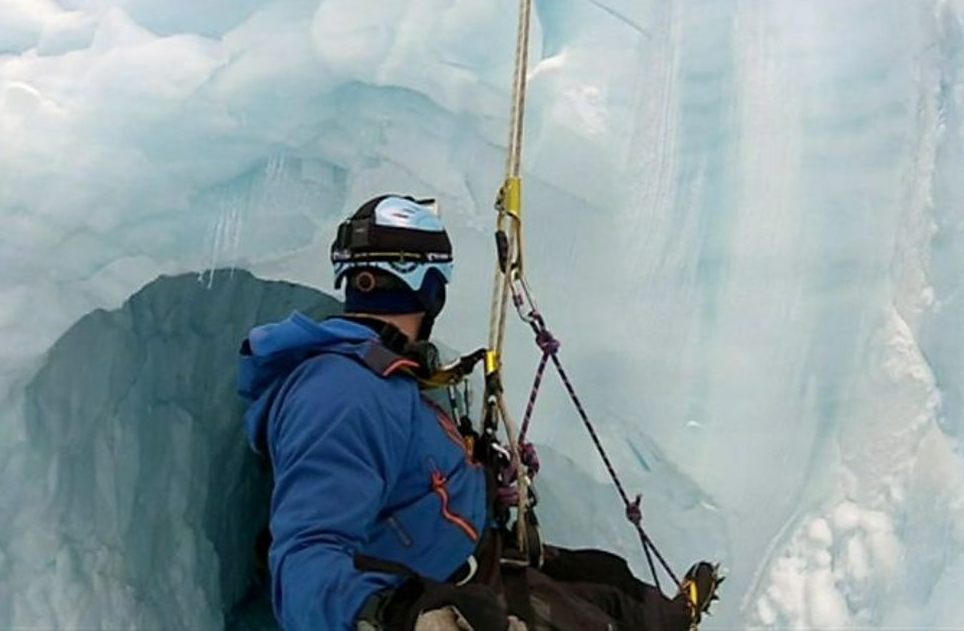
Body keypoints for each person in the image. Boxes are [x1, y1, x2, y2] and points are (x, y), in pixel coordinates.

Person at [238, 194, 719, 630]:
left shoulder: (379, 377)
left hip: (479, 560)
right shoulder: (343, 394)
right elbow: (304, 567)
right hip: (453, 601)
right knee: (593, 617)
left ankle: (665, 618)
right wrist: (399, 614)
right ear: (431, 288)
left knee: (606, 576)